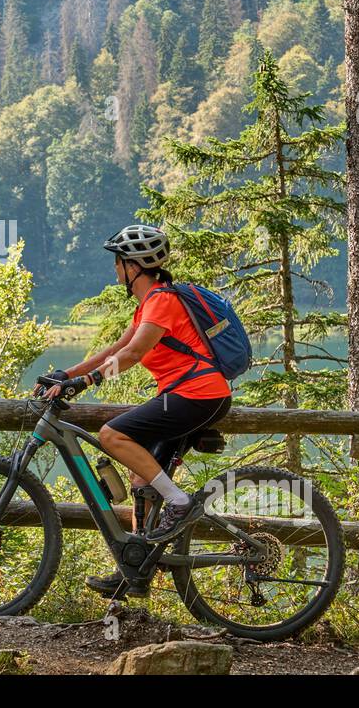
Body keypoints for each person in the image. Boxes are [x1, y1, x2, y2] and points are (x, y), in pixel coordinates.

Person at [36, 223, 232, 597]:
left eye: (118, 262)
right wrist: (66, 374)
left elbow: (133, 354)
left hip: (199, 394)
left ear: (134, 267)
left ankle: (180, 502)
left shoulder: (162, 301)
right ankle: (135, 571)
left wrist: (89, 382)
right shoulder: (148, 305)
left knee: (111, 434)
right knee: (142, 482)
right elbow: (115, 349)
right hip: (185, 394)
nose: (115, 270)